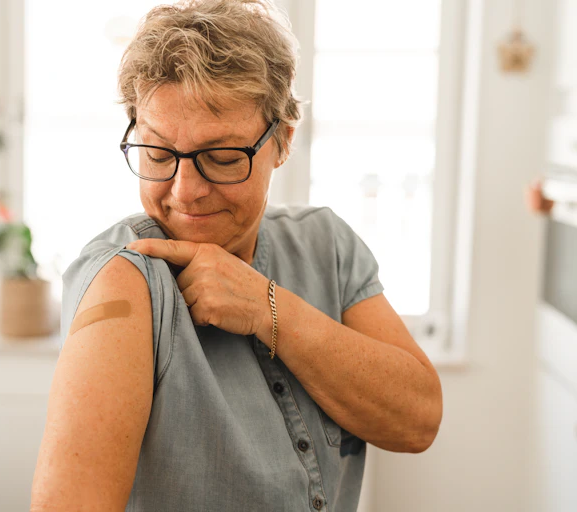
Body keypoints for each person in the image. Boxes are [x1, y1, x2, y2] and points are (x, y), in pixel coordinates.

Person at [31, 1, 443, 510]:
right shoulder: (127, 278)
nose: (184, 192)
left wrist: (268, 308)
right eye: (158, 154)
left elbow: (417, 418)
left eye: (222, 158)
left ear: (283, 141)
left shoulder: (325, 246)